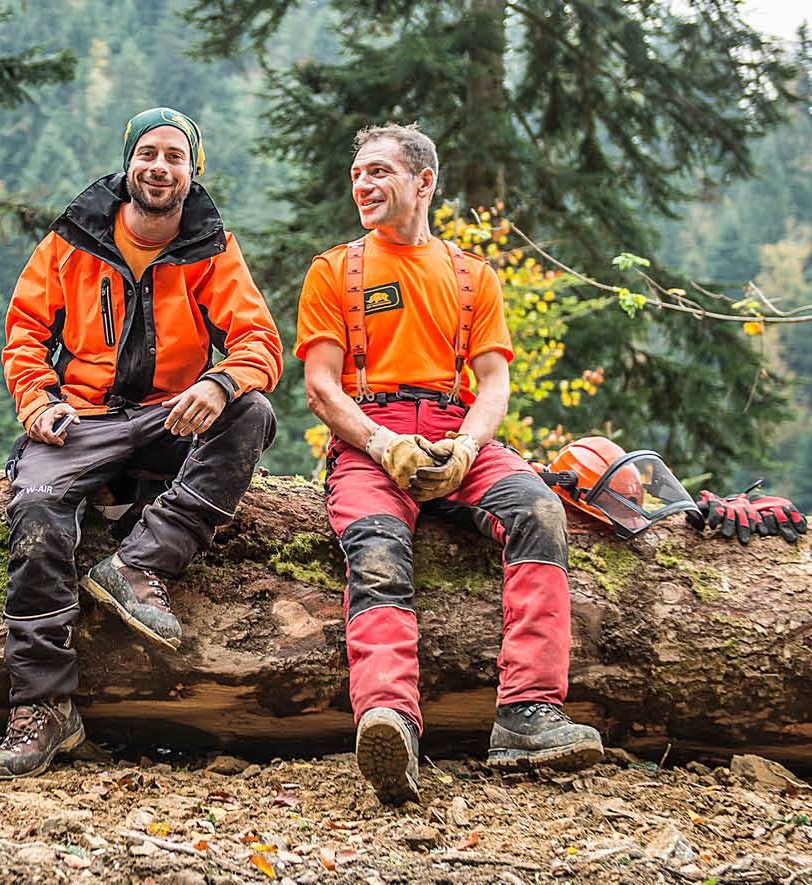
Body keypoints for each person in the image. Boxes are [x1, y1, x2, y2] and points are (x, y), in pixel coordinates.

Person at [294, 123, 603, 805]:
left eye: (379, 172)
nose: (364, 186)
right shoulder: (334, 269)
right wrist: (380, 444)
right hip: (369, 434)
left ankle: (528, 713)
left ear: (424, 181)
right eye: (358, 175)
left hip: (453, 428)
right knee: (377, 550)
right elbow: (321, 386)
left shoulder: (472, 275)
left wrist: (466, 447)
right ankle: (389, 722)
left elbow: (493, 382)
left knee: (539, 509)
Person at [0, 108, 281, 780]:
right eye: (147, 152)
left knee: (252, 410)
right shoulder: (74, 238)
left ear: (192, 170)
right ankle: (42, 707)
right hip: (82, 417)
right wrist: (37, 401)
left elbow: (261, 343)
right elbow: (25, 331)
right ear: (129, 163)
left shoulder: (212, 246)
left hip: (167, 417)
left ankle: (141, 565)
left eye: (175, 156)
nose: (159, 166)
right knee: (35, 509)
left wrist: (220, 381)